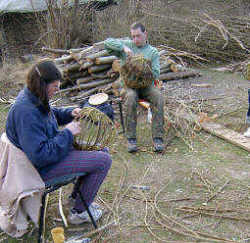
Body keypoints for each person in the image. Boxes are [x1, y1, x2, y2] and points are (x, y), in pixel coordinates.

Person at [5, 60, 112, 225]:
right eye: (54, 86)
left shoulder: (33, 96)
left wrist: (70, 113)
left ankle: (77, 199)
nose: (57, 90)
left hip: (46, 157)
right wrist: (68, 133)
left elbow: (49, 114)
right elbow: (40, 156)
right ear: (42, 84)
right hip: (38, 170)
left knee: (102, 151)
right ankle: (79, 213)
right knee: (104, 161)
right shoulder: (25, 112)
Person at [104, 22, 164, 153]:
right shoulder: (128, 46)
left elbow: (156, 73)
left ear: (145, 34)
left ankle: (158, 138)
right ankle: (131, 139)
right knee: (130, 97)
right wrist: (123, 48)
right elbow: (107, 43)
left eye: (138, 36)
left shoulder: (152, 52)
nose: (135, 39)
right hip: (129, 86)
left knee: (158, 97)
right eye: (133, 36)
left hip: (146, 86)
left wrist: (142, 69)